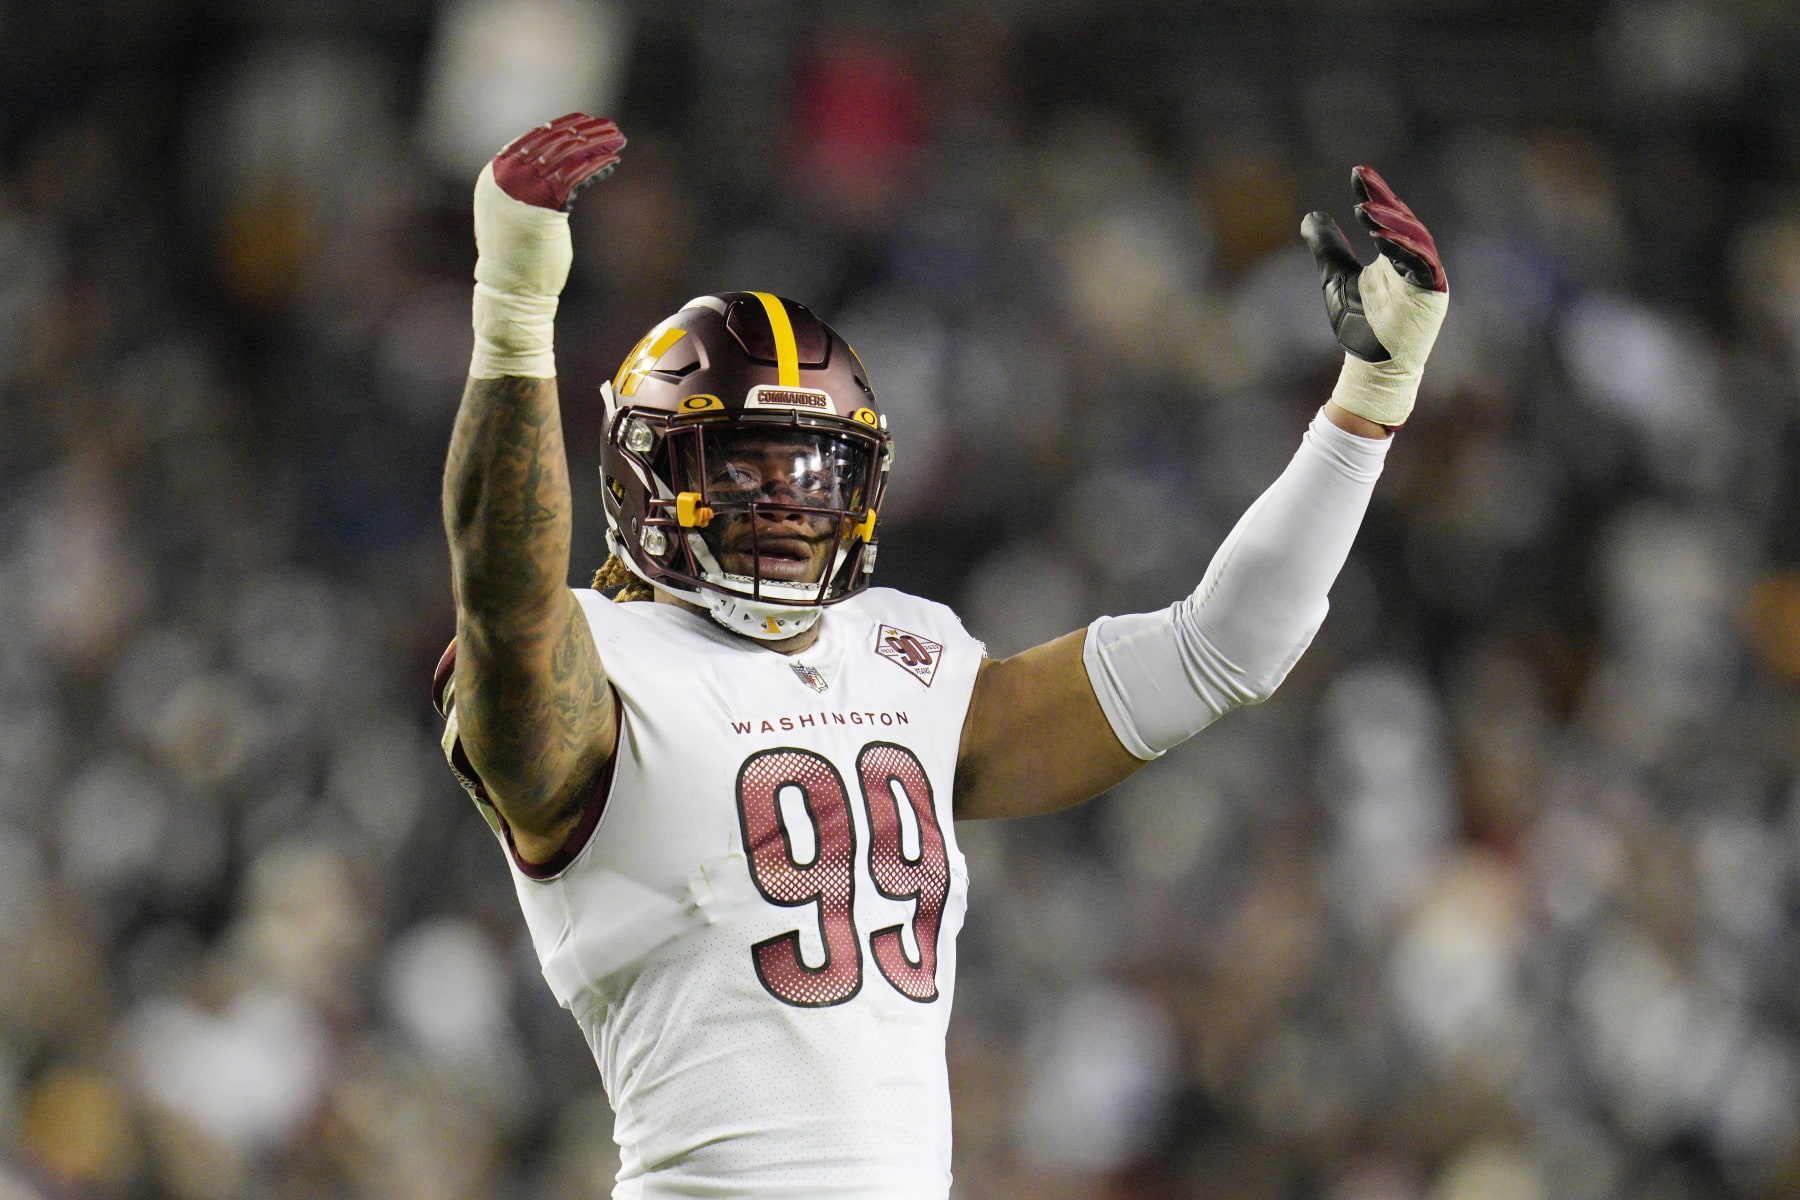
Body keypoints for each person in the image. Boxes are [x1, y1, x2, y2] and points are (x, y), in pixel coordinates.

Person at [434, 113, 1447, 1198]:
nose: (786, 503)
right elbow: (508, 601)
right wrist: (514, 314)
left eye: (815, 470)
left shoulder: (901, 657)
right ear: (643, 475)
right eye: (742, 467)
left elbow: (1221, 649)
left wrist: (1365, 409)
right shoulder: (599, 656)